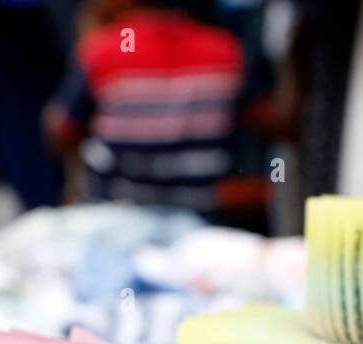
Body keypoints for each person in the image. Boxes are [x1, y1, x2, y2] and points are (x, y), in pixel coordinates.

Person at [45, 0, 271, 230]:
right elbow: (268, 121)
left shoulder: (107, 50)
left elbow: (60, 132)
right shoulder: (226, 50)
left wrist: (86, 41)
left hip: (116, 221)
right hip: (200, 219)